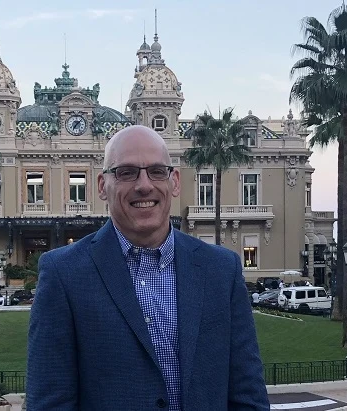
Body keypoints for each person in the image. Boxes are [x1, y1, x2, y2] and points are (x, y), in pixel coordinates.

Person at [27, 125, 269, 410]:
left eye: (156, 171)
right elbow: (50, 402)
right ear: (102, 186)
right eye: (126, 172)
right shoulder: (63, 273)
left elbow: (247, 394)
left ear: (174, 182)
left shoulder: (221, 270)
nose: (144, 185)